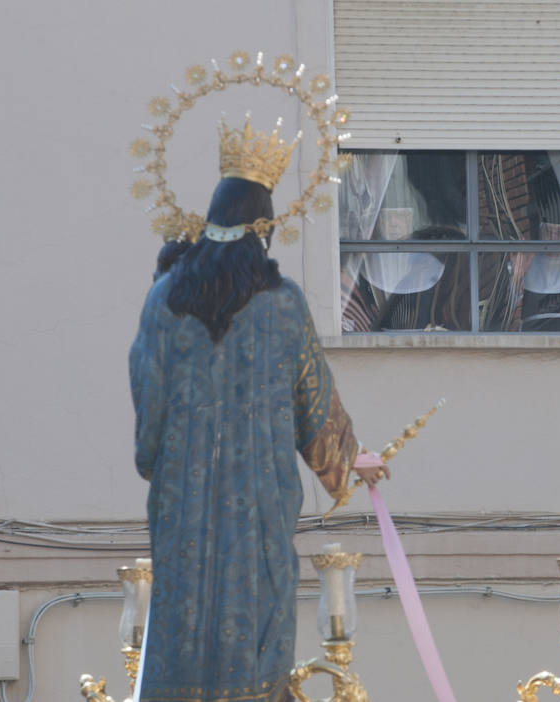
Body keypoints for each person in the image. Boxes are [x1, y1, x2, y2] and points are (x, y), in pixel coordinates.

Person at [129, 172, 387, 702]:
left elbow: (148, 408)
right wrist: (350, 459)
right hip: (258, 513)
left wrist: (158, 460)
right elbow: (315, 402)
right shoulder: (283, 303)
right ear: (264, 230)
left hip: (183, 508)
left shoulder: (162, 300)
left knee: (180, 626)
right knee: (257, 631)